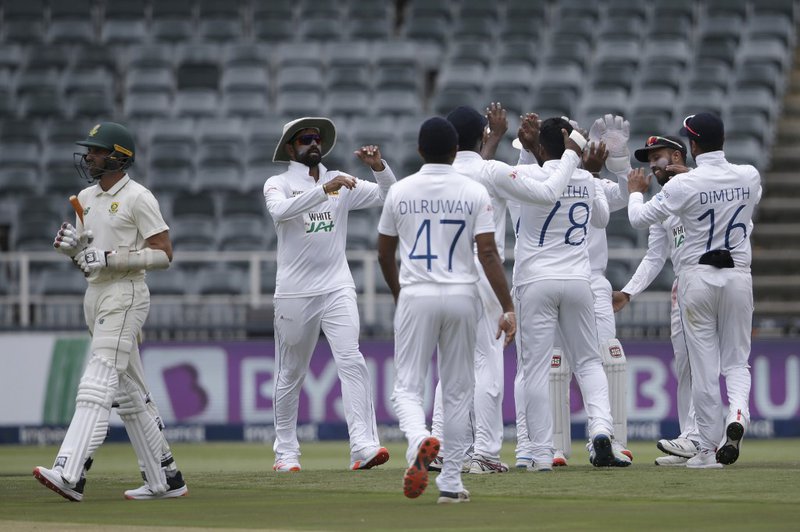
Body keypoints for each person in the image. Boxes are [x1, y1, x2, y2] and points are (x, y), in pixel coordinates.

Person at [426, 104, 586, 475]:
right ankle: (483, 452)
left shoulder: (437, 177)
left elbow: (473, 167)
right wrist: (572, 156)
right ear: (482, 136)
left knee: (452, 367)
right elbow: (547, 192)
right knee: (488, 366)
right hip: (481, 277)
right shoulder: (491, 171)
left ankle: (443, 447)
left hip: (441, 277)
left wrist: (493, 138)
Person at [34, 122, 188, 501]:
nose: (89, 156)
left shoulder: (138, 197)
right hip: (96, 295)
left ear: (119, 156)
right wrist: (72, 249)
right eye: (89, 151)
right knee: (129, 392)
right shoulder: (85, 198)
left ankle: (70, 472)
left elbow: (164, 254)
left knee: (97, 382)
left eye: (98, 151)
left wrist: (110, 257)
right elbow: (87, 259)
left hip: (127, 294)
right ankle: (164, 479)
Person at [377, 117, 517, 504]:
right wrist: (507, 306)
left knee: (407, 387)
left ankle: (421, 439)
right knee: (458, 389)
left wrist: (399, 293)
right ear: (456, 150)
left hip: (417, 292)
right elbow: (487, 253)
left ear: (419, 150)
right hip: (462, 294)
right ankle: (451, 481)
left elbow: (384, 253)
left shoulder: (400, 191)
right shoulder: (474, 191)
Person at [627, 112, 761, 468]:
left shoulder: (682, 186)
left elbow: (638, 220)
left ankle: (707, 447)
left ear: (693, 145)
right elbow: (726, 189)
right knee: (737, 363)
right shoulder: (749, 176)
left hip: (697, 278)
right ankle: (738, 416)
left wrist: (636, 195)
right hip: (738, 276)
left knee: (703, 369)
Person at [264, 117, 394, 472]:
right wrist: (324, 190)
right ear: (291, 147)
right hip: (294, 293)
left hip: (337, 286)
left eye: (317, 138)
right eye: (306, 139)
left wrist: (378, 167)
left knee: (351, 359)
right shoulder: (277, 183)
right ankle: (286, 453)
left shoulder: (340, 179)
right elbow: (279, 212)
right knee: (290, 374)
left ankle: (363, 446)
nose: (314, 143)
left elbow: (388, 194)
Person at [512, 114, 634, 468]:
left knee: (533, 369)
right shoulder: (585, 178)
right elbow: (601, 219)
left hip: (536, 281)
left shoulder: (527, 176)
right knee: (590, 362)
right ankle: (601, 428)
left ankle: (535, 449)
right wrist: (592, 174)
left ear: (538, 147)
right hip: (579, 281)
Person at [612, 135, 700, 466]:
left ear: (676, 155)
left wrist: (636, 193)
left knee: (701, 364)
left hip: (708, 281)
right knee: (686, 367)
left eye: (658, 156)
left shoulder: (700, 185)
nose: (652, 164)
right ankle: (691, 437)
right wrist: (629, 291)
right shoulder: (664, 200)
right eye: (649, 158)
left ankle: (697, 438)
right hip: (683, 288)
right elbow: (654, 256)